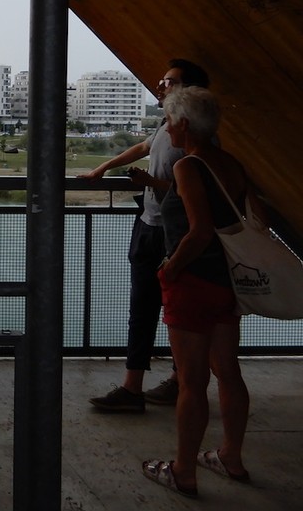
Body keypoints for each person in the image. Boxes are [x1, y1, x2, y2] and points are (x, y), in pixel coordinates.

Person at [141, 85, 253, 497]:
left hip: (193, 284)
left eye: (169, 120)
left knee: (191, 382)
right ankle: (230, 457)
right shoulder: (231, 163)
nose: (167, 128)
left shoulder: (189, 166)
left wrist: (169, 270)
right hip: (226, 282)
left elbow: (199, 231)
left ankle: (183, 470)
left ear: (184, 124)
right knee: (228, 371)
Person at [81, 59, 210, 412]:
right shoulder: (166, 127)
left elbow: (196, 190)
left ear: (190, 90)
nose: (161, 86)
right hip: (148, 226)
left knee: (175, 310)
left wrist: (150, 183)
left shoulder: (194, 136)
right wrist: (104, 167)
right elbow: (141, 148)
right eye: (162, 80)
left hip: (175, 235)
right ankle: (133, 386)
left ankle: (177, 381)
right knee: (142, 308)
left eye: (168, 82)